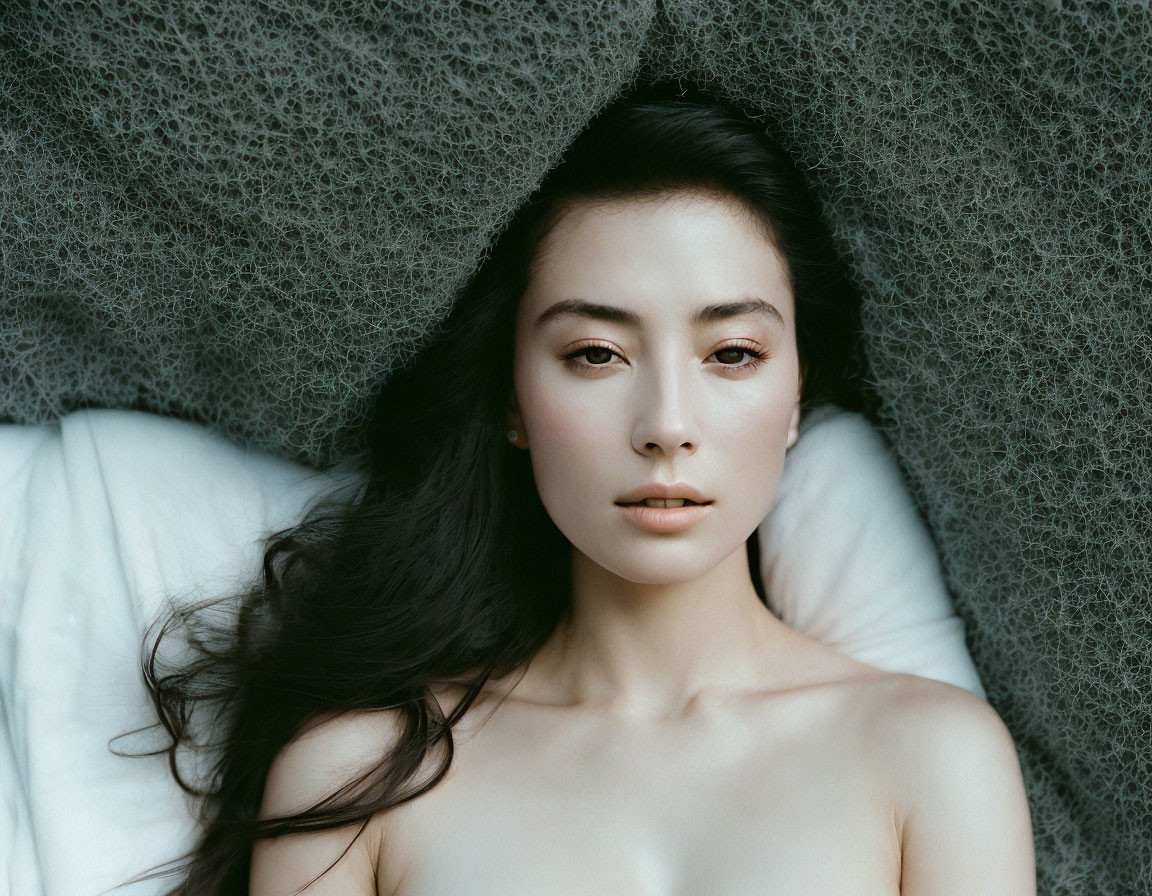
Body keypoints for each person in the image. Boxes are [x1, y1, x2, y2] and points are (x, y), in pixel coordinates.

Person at [130, 80, 1036, 895]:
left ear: (797, 394)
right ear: (512, 401)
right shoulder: (359, 776)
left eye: (732, 354)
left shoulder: (931, 757)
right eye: (595, 354)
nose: (666, 424)